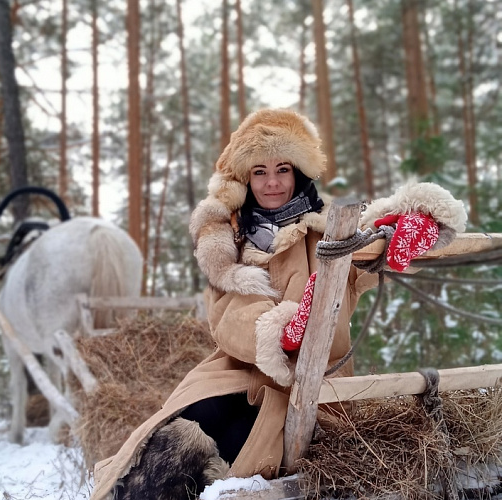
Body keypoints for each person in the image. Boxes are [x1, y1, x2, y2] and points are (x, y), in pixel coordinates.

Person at [89, 108, 467, 500]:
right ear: (245, 179)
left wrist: (419, 218)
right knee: (172, 436)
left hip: (311, 386)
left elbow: (374, 249)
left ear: (298, 172)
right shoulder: (228, 243)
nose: (272, 183)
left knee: (231, 450)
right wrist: (279, 333)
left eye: (282, 169)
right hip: (236, 371)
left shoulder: (331, 232)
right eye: (259, 171)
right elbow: (225, 318)